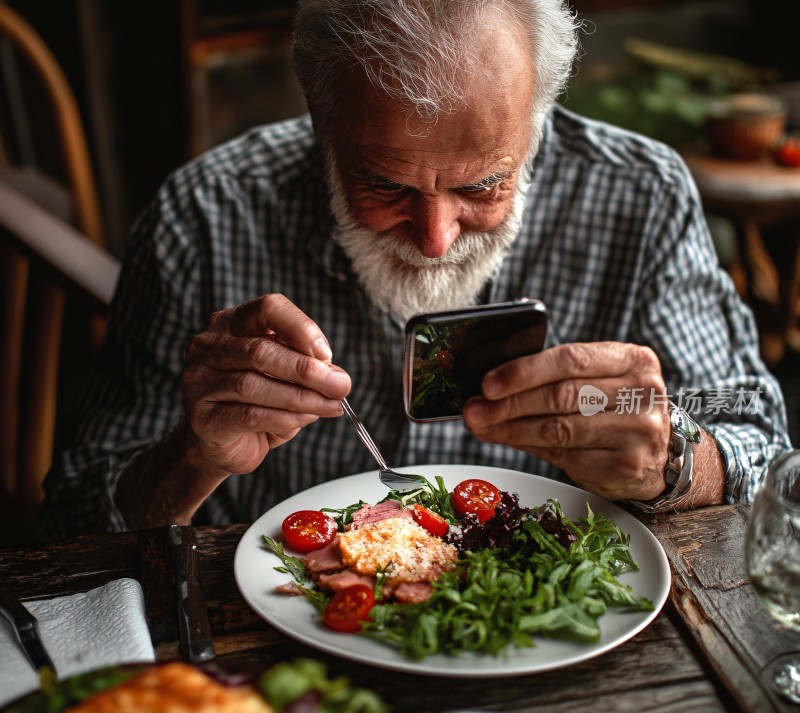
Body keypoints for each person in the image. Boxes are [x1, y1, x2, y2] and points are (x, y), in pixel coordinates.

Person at [39, 0, 790, 539]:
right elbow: (68, 523)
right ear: (321, 120)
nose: (435, 239)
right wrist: (191, 456)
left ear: (537, 118)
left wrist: (671, 459)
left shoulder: (641, 195)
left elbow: (767, 457)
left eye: (481, 185)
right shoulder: (204, 214)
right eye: (387, 185)